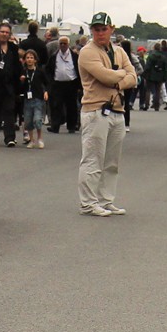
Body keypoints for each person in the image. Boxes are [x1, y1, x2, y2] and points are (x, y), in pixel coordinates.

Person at [76, 12, 137, 216]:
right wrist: (121, 77)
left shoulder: (119, 51)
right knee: (93, 158)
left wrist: (118, 79)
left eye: (103, 29)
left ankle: (106, 200)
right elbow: (104, 76)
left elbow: (133, 77)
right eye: (96, 29)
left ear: (111, 29)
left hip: (117, 109)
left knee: (112, 161)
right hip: (96, 109)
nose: (100, 33)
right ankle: (88, 202)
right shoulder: (87, 52)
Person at [46, 34, 81, 133]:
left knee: (72, 106)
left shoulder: (74, 56)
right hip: (58, 84)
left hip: (71, 84)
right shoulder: (54, 56)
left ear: (68, 44)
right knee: (56, 105)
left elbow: (79, 70)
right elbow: (48, 70)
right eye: (61, 44)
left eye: (65, 44)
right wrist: (50, 82)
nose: (63, 45)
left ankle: (71, 126)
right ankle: (55, 126)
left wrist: (79, 85)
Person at [18, 48, 48, 148]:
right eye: (27, 58)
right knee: (28, 120)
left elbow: (46, 82)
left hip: (38, 98)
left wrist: (46, 92)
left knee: (37, 119)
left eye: (32, 58)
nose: (30, 59)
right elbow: (19, 88)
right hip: (27, 99)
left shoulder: (40, 71)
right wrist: (21, 81)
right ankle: (32, 139)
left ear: (35, 60)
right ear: (24, 60)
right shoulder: (23, 72)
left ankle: (40, 138)